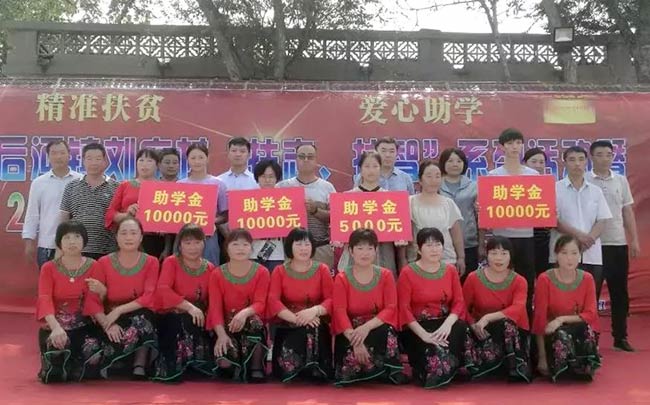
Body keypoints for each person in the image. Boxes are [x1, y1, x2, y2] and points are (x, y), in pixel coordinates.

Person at [83, 217, 159, 379]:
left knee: (143, 318)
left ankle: (139, 364)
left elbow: (149, 297)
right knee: (91, 352)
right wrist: (107, 324)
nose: (128, 237)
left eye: (133, 233)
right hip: (109, 317)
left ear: (141, 237)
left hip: (136, 313)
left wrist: (118, 310)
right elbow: (92, 300)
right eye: (123, 233)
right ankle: (113, 362)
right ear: (116, 237)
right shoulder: (103, 262)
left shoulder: (151, 262)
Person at [397, 228, 471, 388]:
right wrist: (424, 335)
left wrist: (447, 324)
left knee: (461, 327)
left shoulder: (450, 270)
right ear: (418, 249)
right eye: (429, 245)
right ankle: (434, 369)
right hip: (418, 327)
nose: (434, 249)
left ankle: (455, 367)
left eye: (438, 245)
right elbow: (404, 309)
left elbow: (459, 302)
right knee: (434, 355)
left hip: (445, 324)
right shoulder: (407, 272)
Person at [332, 228, 404, 386]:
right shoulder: (342, 278)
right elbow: (339, 312)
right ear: (351, 251)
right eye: (360, 248)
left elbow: (391, 308)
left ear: (376, 251)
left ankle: (386, 371)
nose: (365, 253)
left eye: (370, 248)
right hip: (351, 332)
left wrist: (366, 328)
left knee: (387, 330)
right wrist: (356, 342)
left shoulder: (386, 275)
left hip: (375, 326)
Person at [587, 140, 640, 352]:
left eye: (609, 154)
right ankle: (590, 340)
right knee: (591, 294)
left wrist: (634, 239)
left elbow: (627, 211)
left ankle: (620, 337)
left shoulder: (620, 180)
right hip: (592, 245)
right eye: (600, 154)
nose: (605, 158)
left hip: (617, 242)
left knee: (620, 292)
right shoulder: (585, 180)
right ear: (592, 157)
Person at [36, 221, 104, 383]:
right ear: (59, 242)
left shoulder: (94, 265)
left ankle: (75, 364)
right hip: (56, 327)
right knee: (55, 375)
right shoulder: (48, 268)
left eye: (77, 237)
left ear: (84, 240)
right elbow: (44, 298)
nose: (72, 241)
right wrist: (55, 327)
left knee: (89, 368)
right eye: (67, 237)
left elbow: (94, 302)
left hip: (84, 327)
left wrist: (102, 292)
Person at [483, 129, 539, 316]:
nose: (514, 147)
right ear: (502, 147)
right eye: (510, 143)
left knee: (526, 281)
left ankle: (525, 322)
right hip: (501, 236)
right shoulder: (493, 176)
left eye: (518, 143)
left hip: (526, 236)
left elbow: (539, 206)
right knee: (501, 279)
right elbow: (487, 209)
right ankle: (500, 319)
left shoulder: (533, 175)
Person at [267, 228, 334, 382]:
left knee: (313, 326)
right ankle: (292, 368)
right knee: (306, 327)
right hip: (288, 321)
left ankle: (315, 368)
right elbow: (273, 301)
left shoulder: (322, 269)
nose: (303, 248)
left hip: (316, 319)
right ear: (290, 246)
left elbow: (331, 300)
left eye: (307, 244)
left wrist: (314, 311)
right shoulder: (279, 271)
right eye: (298, 244)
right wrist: (297, 318)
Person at [152, 224, 216, 382]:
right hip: (172, 312)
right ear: (179, 245)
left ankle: (197, 364)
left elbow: (212, 299)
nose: (193, 247)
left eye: (197, 242)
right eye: (187, 243)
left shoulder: (209, 267)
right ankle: (173, 367)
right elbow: (163, 289)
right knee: (177, 320)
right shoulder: (171, 262)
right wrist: (188, 307)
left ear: (204, 243)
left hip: (199, 315)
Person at [463, 236, 532, 382]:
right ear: (486, 255)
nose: (499, 258)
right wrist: (473, 324)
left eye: (504, 253)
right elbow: (463, 307)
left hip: (513, 331)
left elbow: (518, 308)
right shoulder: (473, 278)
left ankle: (514, 367)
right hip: (482, 330)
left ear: (510, 256)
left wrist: (488, 318)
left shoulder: (519, 281)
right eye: (494, 253)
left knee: (507, 325)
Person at [533, 235, 601, 381]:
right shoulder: (545, 279)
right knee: (561, 334)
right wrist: (542, 358)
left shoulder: (587, 278)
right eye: (564, 253)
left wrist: (561, 319)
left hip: (577, 329)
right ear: (556, 255)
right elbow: (539, 319)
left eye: (574, 253)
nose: (569, 258)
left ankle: (584, 364)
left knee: (585, 329)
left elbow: (591, 314)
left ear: (580, 255)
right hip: (553, 333)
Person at [206, 229, 270, 382]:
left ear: (251, 248)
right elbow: (214, 308)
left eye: (245, 245)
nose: (240, 248)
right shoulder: (217, 274)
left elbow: (261, 303)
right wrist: (221, 335)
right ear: (227, 248)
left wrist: (244, 313)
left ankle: (256, 367)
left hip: (250, 322)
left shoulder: (262, 272)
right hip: (226, 326)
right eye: (235, 244)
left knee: (254, 321)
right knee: (225, 366)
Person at [551, 146, 612, 300]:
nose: (577, 164)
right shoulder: (554, 189)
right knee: (562, 300)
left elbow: (603, 219)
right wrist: (579, 237)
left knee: (590, 299)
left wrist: (589, 239)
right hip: (563, 254)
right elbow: (553, 220)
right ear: (564, 163)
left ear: (586, 162)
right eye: (572, 160)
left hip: (591, 253)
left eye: (581, 159)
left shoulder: (595, 191)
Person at [338, 151, 405, 274]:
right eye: (367, 166)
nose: (371, 170)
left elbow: (397, 227)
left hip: (383, 252)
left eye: (375, 166)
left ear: (380, 169)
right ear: (360, 169)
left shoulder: (390, 199)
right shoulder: (348, 197)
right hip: (355, 254)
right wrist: (338, 238)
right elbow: (342, 228)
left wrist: (400, 236)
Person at [24, 140, 82, 269]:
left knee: (74, 281)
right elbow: (32, 214)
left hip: (75, 244)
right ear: (48, 157)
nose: (58, 157)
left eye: (62, 153)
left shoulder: (80, 181)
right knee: (48, 280)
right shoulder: (39, 183)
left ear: (69, 155)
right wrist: (29, 241)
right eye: (54, 153)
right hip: (47, 245)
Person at [277, 144, 336, 268]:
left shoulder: (327, 187)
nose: (306, 160)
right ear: (296, 159)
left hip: (320, 249)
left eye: (310, 157)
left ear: (316, 160)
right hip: (291, 251)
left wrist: (316, 210)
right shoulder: (282, 187)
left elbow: (336, 217)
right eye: (301, 156)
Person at [403, 159, 465, 274]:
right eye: (429, 176)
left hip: (446, 259)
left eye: (437, 176)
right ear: (420, 180)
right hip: (418, 260)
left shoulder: (448, 203)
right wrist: (403, 259)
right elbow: (405, 235)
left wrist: (461, 257)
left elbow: (456, 234)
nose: (434, 180)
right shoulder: (409, 202)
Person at [105, 148, 169, 259]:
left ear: (157, 165)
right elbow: (110, 214)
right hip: (128, 236)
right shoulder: (124, 185)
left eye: (149, 161)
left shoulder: (164, 188)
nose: (144, 164)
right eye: (141, 160)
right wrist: (128, 215)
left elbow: (171, 218)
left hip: (155, 241)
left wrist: (167, 246)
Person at [60, 143, 119, 260]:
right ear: (83, 161)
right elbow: (64, 219)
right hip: (77, 250)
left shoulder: (116, 187)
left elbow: (119, 220)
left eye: (98, 159)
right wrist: (61, 247)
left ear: (105, 161)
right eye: (89, 158)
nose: (93, 163)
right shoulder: (71, 186)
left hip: (107, 251)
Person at [177, 143, 229, 266]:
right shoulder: (179, 185)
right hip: (184, 236)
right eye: (193, 158)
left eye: (201, 157)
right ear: (188, 160)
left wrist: (210, 221)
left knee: (209, 268)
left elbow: (225, 215)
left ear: (207, 158)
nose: (197, 161)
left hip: (208, 236)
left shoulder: (218, 184)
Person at [439, 147, 479, 277]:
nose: (455, 164)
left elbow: (480, 215)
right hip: (442, 244)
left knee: (468, 281)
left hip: (469, 241)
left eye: (459, 161)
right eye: (450, 161)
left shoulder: (474, 186)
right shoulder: (435, 185)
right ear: (443, 163)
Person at [250, 159, 285, 271]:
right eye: (263, 176)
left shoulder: (284, 200)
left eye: (271, 176)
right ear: (257, 178)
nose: (267, 180)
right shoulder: (249, 199)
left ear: (277, 178)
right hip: (252, 252)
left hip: (276, 252)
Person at [523, 147, 551, 277]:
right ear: (525, 163)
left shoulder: (550, 186)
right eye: (533, 162)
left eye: (541, 162)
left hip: (544, 238)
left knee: (543, 275)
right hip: (521, 236)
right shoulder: (515, 187)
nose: (538, 166)